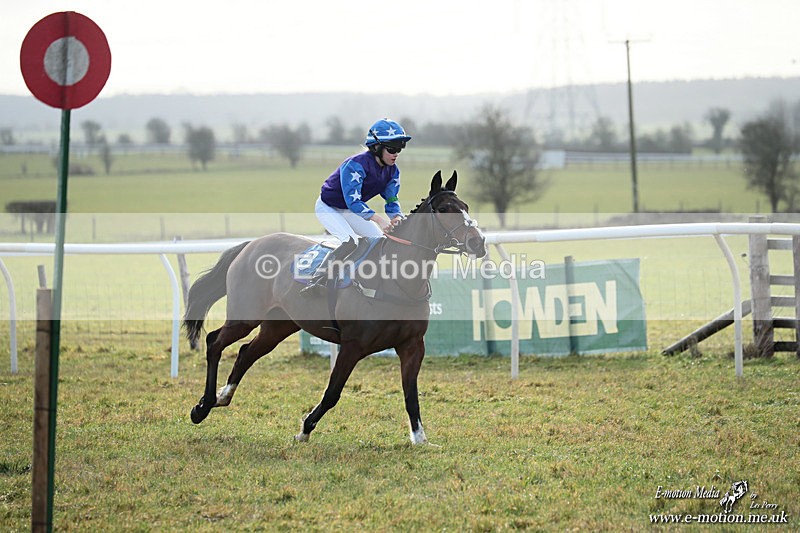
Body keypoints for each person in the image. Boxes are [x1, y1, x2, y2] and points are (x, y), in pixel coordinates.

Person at [302, 118, 411, 294]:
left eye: (399, 148)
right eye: (392, 149)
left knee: (378, 242)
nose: (396, 153)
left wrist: (397, 217)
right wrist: (379, 220)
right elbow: (353, 201)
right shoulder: (355, 165)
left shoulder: (393, 171)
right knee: (350, 242)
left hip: (349, 210)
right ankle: (316, 281)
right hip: (329, 207)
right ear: (377, 147)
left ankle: (369, 281)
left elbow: (391, 200)